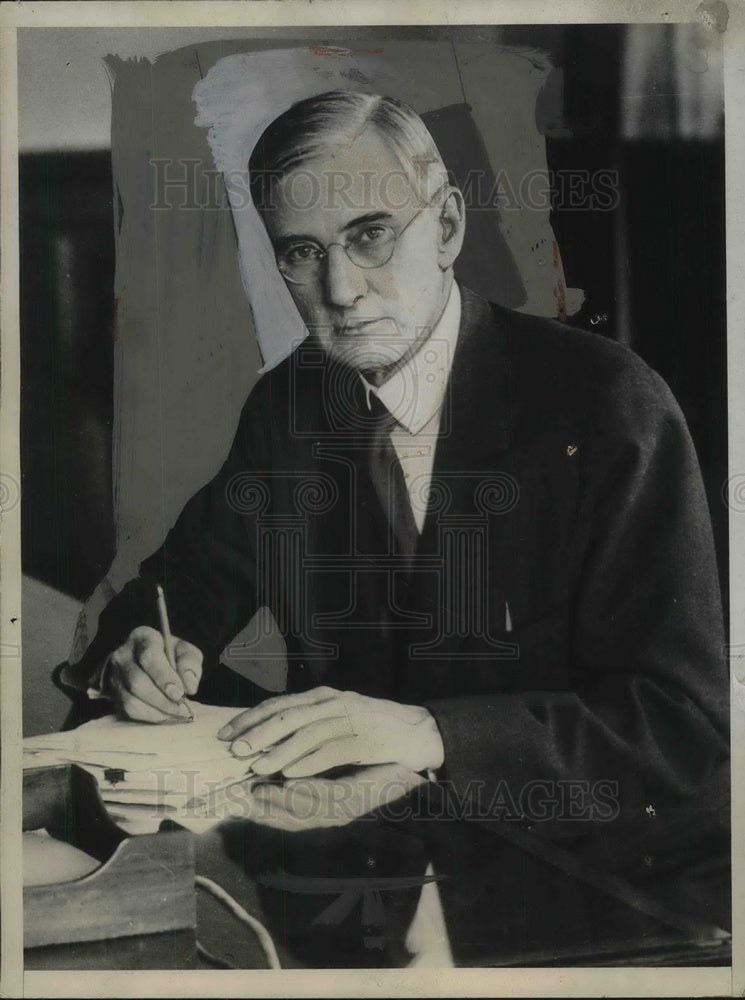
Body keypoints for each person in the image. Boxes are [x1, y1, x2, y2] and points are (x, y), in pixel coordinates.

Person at [55, 91, 730, 964]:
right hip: (349, 908)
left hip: (601, 919)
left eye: (372, 234)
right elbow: (166, 597)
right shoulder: (295, 406)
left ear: (445, 227)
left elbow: (679, 732)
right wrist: (142, 654)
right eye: (303, 253)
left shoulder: (604, 403)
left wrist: (431, 733)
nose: (339, 289)